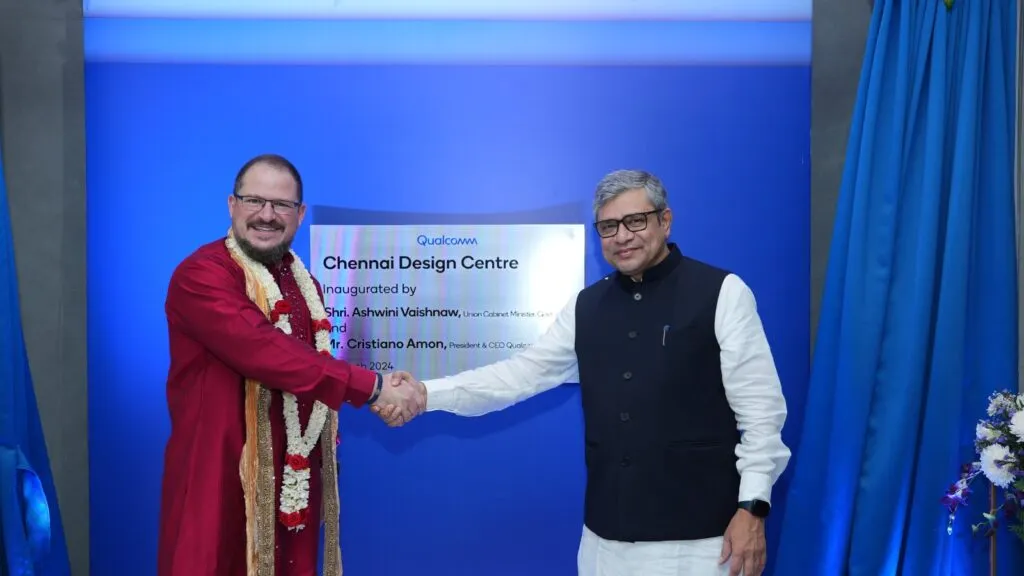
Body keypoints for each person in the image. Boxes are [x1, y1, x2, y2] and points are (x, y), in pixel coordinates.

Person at [375, 169, 790, 576]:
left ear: (665, 221)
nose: (622, 236)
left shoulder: (722, 292)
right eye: (608, 226)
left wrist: (752, 507)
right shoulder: (586, 306)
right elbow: (518, 375)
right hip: (603, 544)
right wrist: (426, 394)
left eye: (635, 221)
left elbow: (762, 416)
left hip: (702, 544)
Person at [157, 154, 425, 576]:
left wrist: (375, 390)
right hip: (218, 479)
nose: (267, 215)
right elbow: (264, 349)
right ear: (231, 205)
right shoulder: (202, 275)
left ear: (300, 215)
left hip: (292, 484)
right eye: (254, 201)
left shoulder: (304, 284)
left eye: (281, 205)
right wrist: (372, 388)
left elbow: (308, 366)